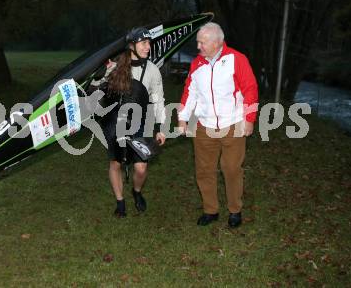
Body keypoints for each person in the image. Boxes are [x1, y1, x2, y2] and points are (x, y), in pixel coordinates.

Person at [178, 22, 258, 228]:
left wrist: (249, 119)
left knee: (231, 168)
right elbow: (190, 93)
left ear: (217, 42)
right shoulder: (197, 64)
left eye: (202, 42)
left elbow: (250, 89)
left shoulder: (236, 59)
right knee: (204, 169)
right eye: (198, 42)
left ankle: (235, 210)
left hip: (232, 123)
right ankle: (210, 210)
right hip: (204, 125)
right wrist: (182, 118)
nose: (198, 47)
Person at [101, 27, 166, 218]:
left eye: (149, 43)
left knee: (141, 166)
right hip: (116, 120)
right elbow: (98, 88)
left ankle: (136, 192)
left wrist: (161, 128)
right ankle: (120, 202)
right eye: (144, 43)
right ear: (132, 45)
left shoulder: (153, 70)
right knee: (116, 163)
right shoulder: (116, 67)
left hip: (141, 121)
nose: (148, 47)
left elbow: (159, 100)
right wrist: (101, 75)